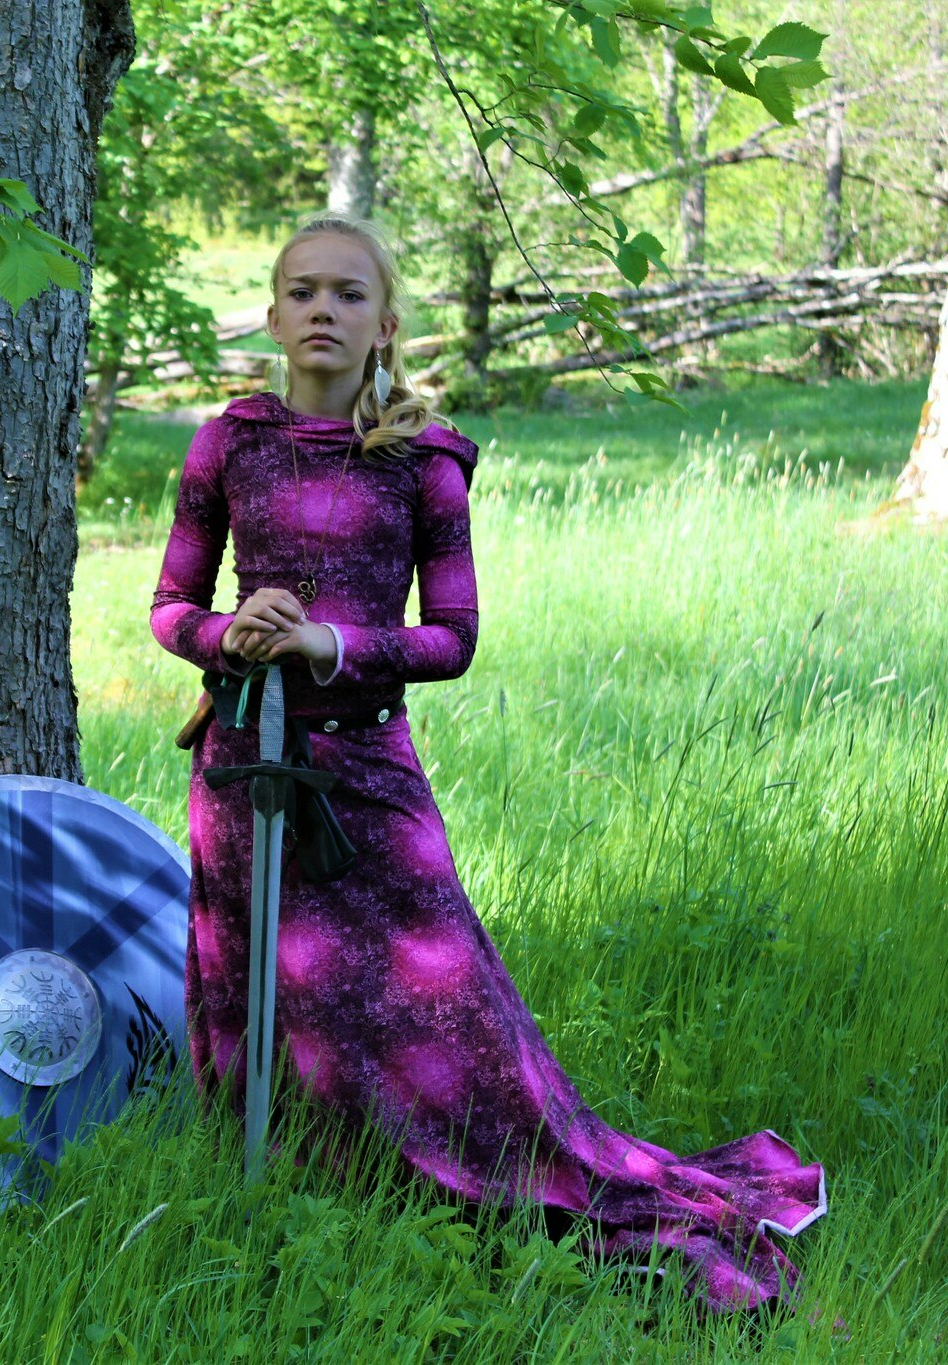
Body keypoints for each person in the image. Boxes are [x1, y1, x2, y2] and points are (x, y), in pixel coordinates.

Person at [148, 213, 825, 1312]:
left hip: (365, 770)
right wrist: (228, 634)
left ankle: (511, 1190)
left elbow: (452, 639)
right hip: (242, 763)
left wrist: (333, 643)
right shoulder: (226, 444)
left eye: (348, 295)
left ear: (386, 324)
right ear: (271, 317)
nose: (323, 311)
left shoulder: (424, 462)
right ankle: (297, 1203)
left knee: (444, 1002)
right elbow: (170, 606)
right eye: (302, 293)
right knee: (271, 993)